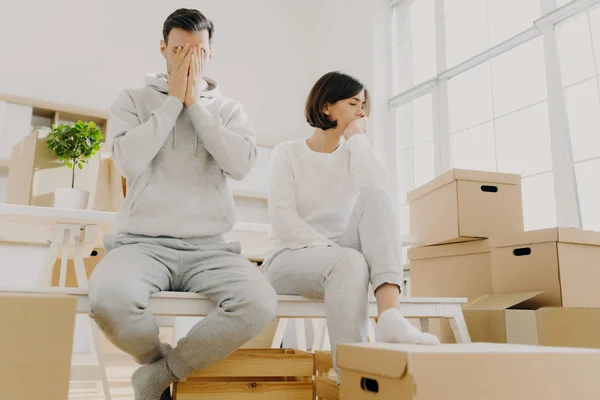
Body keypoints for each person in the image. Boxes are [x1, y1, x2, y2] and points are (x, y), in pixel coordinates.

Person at [88, 8, 277, 400]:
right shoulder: (133, 100)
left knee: (259, 304)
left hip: (209, 248)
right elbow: (127, 162)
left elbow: (241, 165)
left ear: (209, 54)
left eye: (198, 51)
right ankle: (156, 361)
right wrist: (173, 103)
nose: (189, 59)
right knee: (108, 300)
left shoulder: (229, 109)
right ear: (163, 49)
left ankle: (157, 377)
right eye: (179, 50)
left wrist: (196, 106)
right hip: (141, 244)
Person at [263, 71, 439, 375]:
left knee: (377, 199)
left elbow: (380, 188)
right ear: (327, 107)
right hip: (288, 259)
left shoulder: (353, 152)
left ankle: (390, 318)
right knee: (349, 262)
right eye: (354, 103)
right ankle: (350, 375)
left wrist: (356, 138)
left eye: (364, 106)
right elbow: (283, 222)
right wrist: (334, 251)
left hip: (342, 257)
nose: (362, 112)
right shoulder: (287, 153)